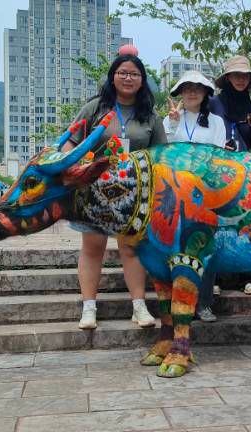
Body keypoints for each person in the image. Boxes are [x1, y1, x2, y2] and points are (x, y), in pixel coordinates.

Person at [60, 54, 166, 330]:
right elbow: (69, 142)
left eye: (134, 74)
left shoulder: (150, 116)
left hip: (135, 193)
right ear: (113, 76)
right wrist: (74, 164)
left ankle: (139, 307)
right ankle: (89, 308)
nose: (128, 78)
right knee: (93, 248)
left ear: (142, 80)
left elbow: (162, 157)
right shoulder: (95, 108)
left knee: (131, 249)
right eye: (123, 73)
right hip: (94, 190)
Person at [163, 70, 226, 322]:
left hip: (205, 193)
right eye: (187, 88)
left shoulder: (216, 122)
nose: (191, 92)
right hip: (175, 193)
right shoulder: (170, 119)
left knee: (204, 246)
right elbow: (165, 152)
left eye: (197, 88)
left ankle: (204, 303)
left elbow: (218, 156)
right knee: (176, 248)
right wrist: (173, 125)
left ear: (205, 93)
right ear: (180, 93)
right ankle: (178, 303)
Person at [208, 55, 251, 296]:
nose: (240, 79)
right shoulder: (212, 104)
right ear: (227, 78)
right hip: (218, 172)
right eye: (236, 75)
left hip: (245, 174)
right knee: (218, 222)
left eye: (245, 75)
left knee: (246, 221)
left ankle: (248, 276)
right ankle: (215, 277)